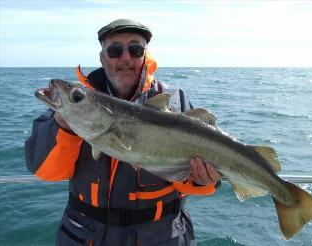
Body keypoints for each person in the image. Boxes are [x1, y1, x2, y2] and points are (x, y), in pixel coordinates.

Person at [25, 19, 222, 246]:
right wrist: (65, 125)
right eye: (115, 50)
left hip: (162, 237)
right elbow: (44, 170)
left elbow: (200, 182)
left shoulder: (175, 103)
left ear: (144, 55)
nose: (125, 58)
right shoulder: (75, 104)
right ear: (102, 57)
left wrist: (202, 180)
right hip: (85, 236)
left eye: (135, 49)